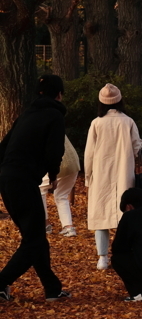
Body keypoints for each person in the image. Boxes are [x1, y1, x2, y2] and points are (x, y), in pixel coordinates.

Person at [0, 74, 69, 302]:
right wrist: (53, 175)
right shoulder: (54, 116)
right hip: (24, 180)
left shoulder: (26, 115)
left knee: (35, 236)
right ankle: (1, 282)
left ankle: (52, 288)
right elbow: (54, 151)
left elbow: (4, 146)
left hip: (7, 178)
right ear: (59, 94)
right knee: (34, 240)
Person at [84, 82, 142, 271]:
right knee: (126, 214)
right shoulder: (128, 121)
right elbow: (137, 148)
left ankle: (102, 257)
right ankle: (125, 253)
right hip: (123, 173)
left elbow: (89, 154)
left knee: (100, 215)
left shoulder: (96, 123)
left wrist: (88, 177)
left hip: (100, 174)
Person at [40, 134, 79, 236]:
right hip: (74, 165)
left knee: (39, 190)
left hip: (60, 165)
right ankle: (69, 227)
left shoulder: (41, 128)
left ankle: (45, 225)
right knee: (61, 196)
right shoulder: (56, 125)